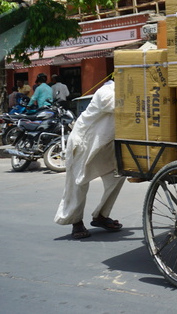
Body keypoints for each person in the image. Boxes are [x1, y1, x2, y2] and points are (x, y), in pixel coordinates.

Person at [54, 80, 124, 239]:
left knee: (119, 175)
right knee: (78, 182)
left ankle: (101, 215)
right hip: (84, 141)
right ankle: (76, 221)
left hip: (106, 144)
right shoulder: (106, 91)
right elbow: (117, 105)